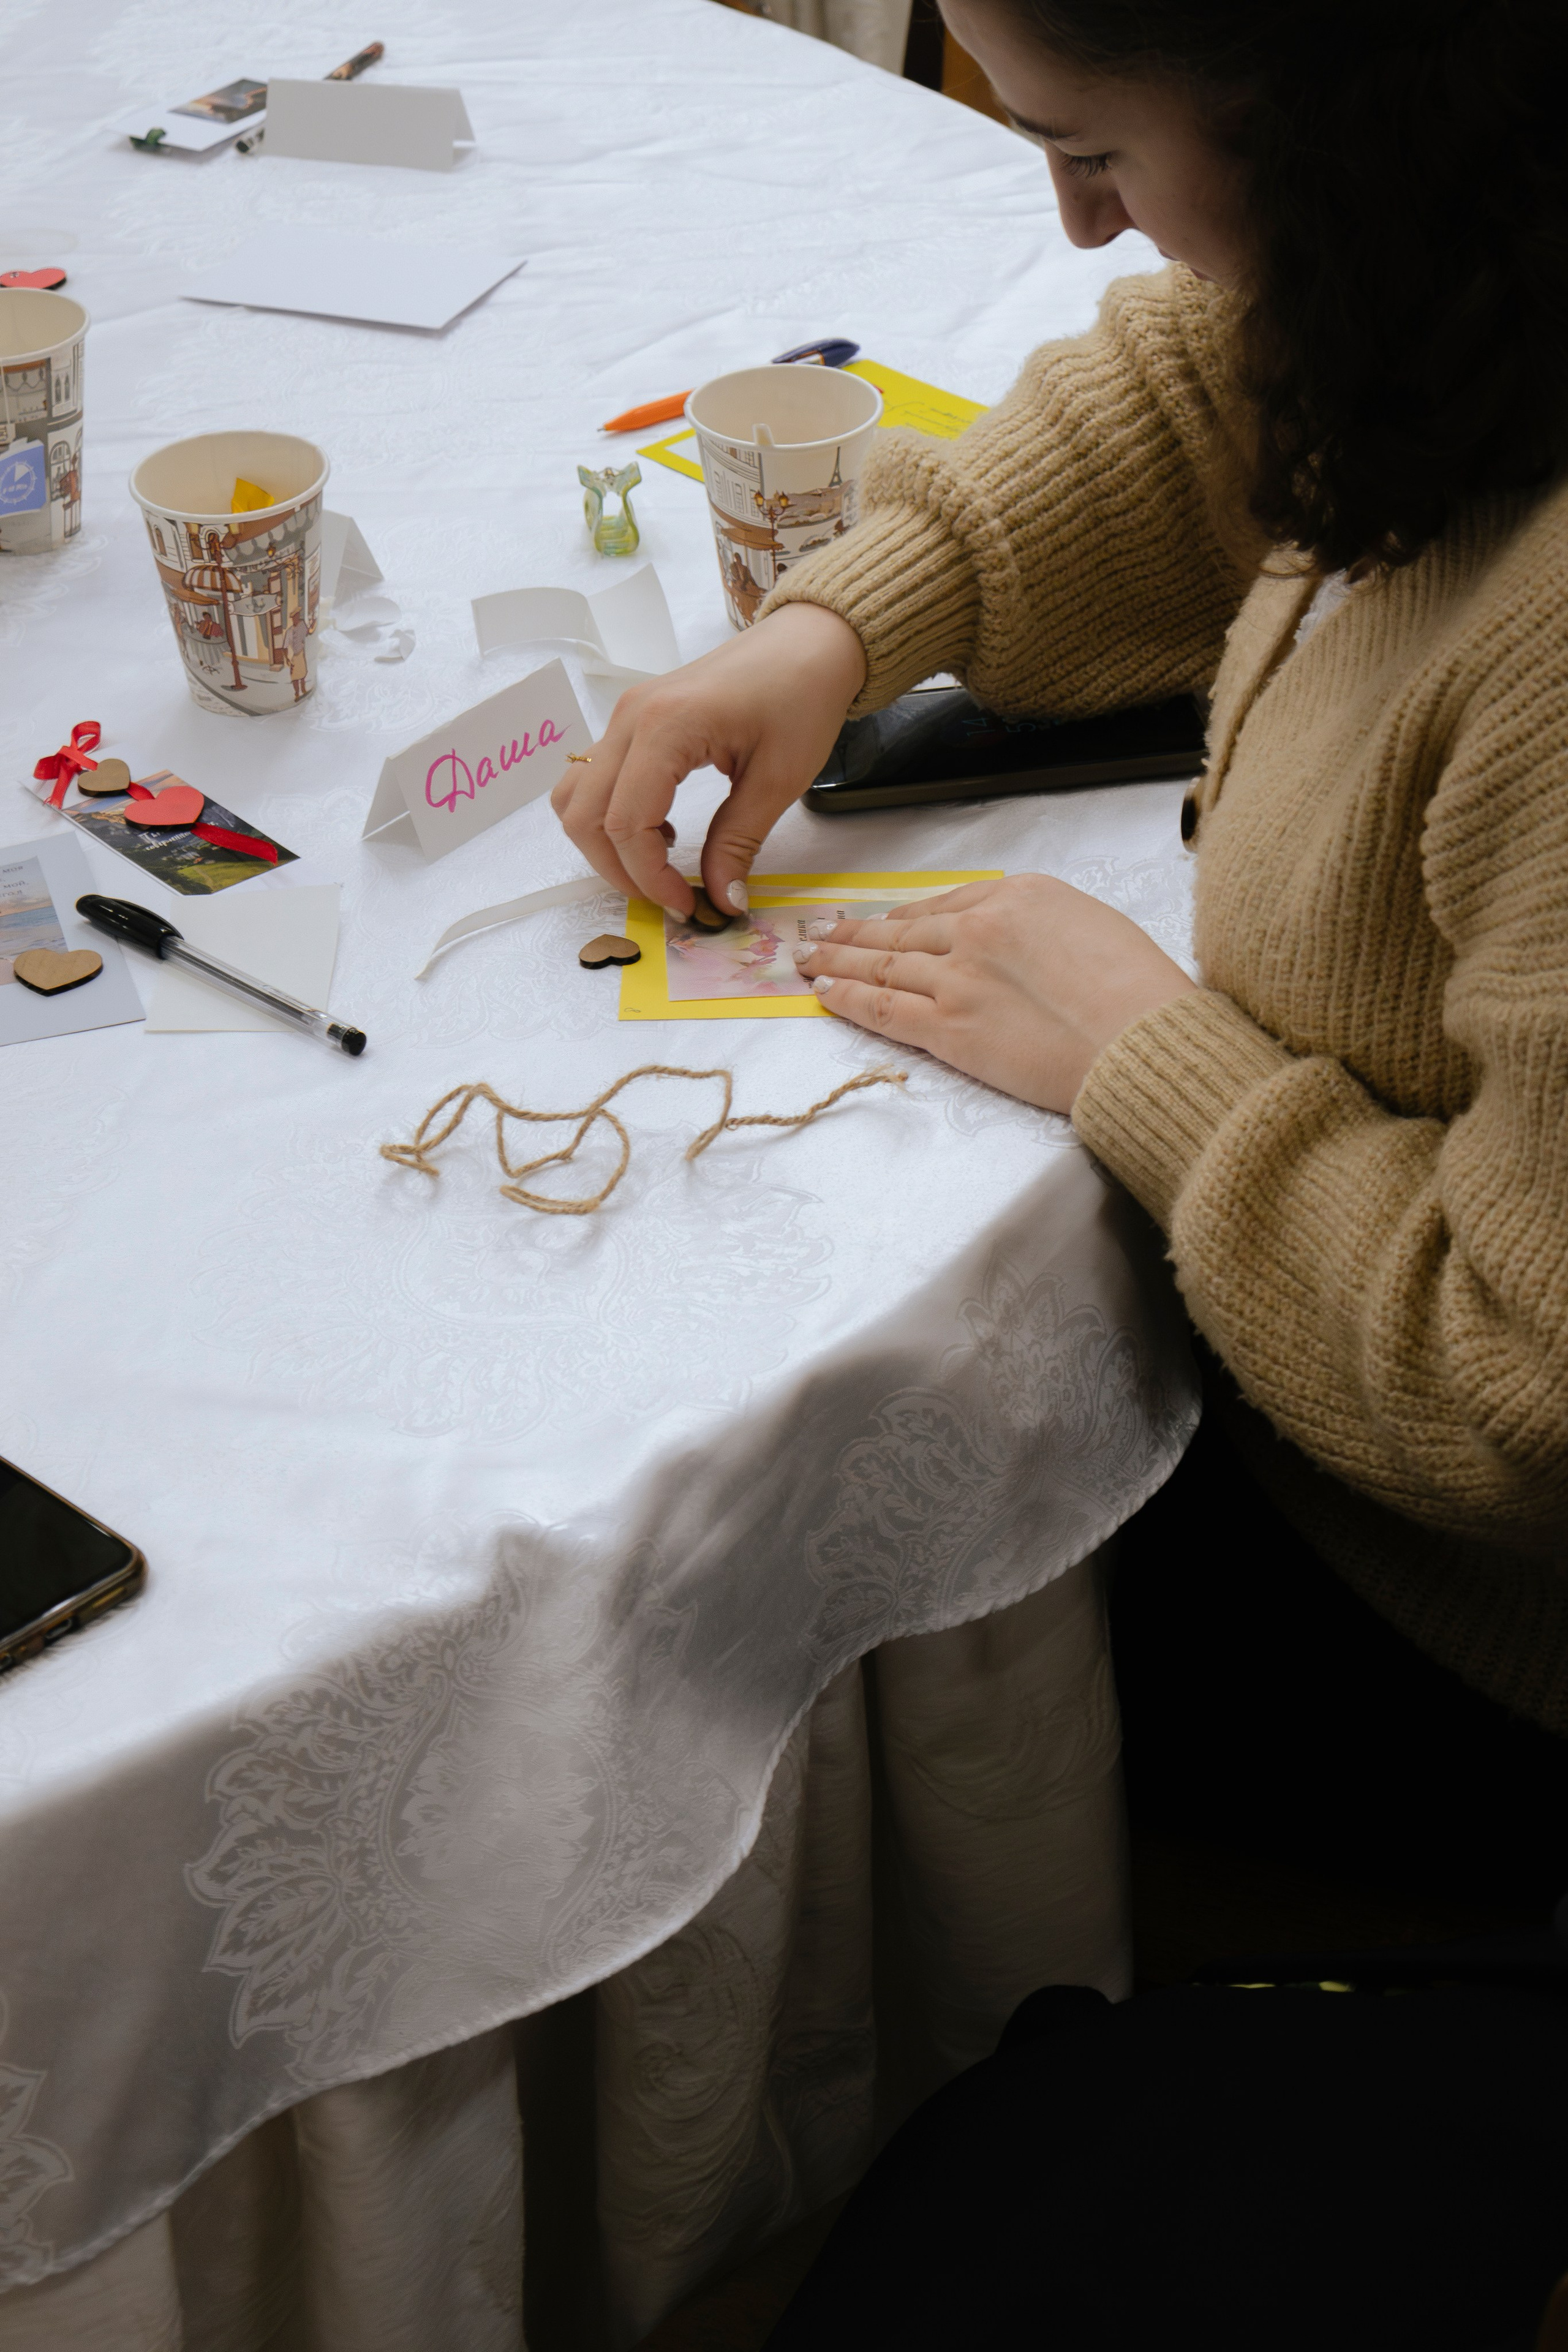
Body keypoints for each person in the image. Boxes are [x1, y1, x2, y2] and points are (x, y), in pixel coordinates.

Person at [552, 0, 1568, 1898]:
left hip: (1456, 1664)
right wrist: (848, 621)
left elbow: (1521, 1398)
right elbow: (1220, 387)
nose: (1081, 226)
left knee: (723, 1665)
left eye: (1098, 153)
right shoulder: (1466, 260)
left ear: (1362, 128)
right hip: (1319, 1469)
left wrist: (1150, 1060)